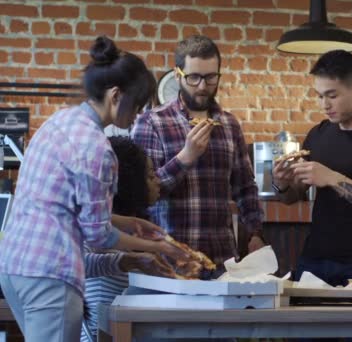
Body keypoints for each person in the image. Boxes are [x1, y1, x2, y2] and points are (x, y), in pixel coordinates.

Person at [0, 36, 188, 342]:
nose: (138, 114)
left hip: (14, 266)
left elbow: (60, 205)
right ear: (116, 95)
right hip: (50, 273)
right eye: (137, 105)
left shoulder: (59, 122)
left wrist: (128, 223)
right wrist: (157, 246)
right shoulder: (97, 148)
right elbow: (98, 235)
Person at [272, 50, 352, 298]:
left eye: (332, 95)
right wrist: (282, 184)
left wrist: (333, 178)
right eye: (319, 96)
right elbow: (291, 197)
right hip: (314, 260)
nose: (324, 105)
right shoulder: (317, 134)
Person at [131, 35, 265, 277]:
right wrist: (185, 157)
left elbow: (245, 187)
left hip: (222, 262)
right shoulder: (151, 122)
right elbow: (140, 196)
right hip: (170, 263)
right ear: (177, 74)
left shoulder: (229, 124)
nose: (202, 86)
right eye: (194, 77)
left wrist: (255, 233)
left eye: (210, 77)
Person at [81, 136, 163, 342]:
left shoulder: (136, 228)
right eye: (151, 175)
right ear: (130, 183)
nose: (158, 181)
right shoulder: (97, 231)